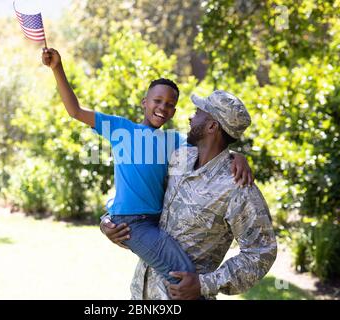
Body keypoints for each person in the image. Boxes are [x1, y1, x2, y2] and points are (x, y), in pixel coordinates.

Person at [42, 47, 253, 285]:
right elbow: (75, 111)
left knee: (176, 274)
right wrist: (57, 68)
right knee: (181, 272)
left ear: (173, 111)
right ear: (145, 102)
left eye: (170, 104)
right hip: (132, 221)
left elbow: (211, 147)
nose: (163, 107)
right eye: (158, 100)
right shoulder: (120, 129)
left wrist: (236, 155)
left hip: (157, 222)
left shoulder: (174, 141)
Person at [101, 90, 277, 300]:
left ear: (212, 126)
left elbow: (261, 252)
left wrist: (205, 284)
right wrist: (108, 221)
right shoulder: (179, 159)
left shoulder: (237, 187)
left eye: (198, 112)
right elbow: (142, 191)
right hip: (142, 293)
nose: (190, 117)